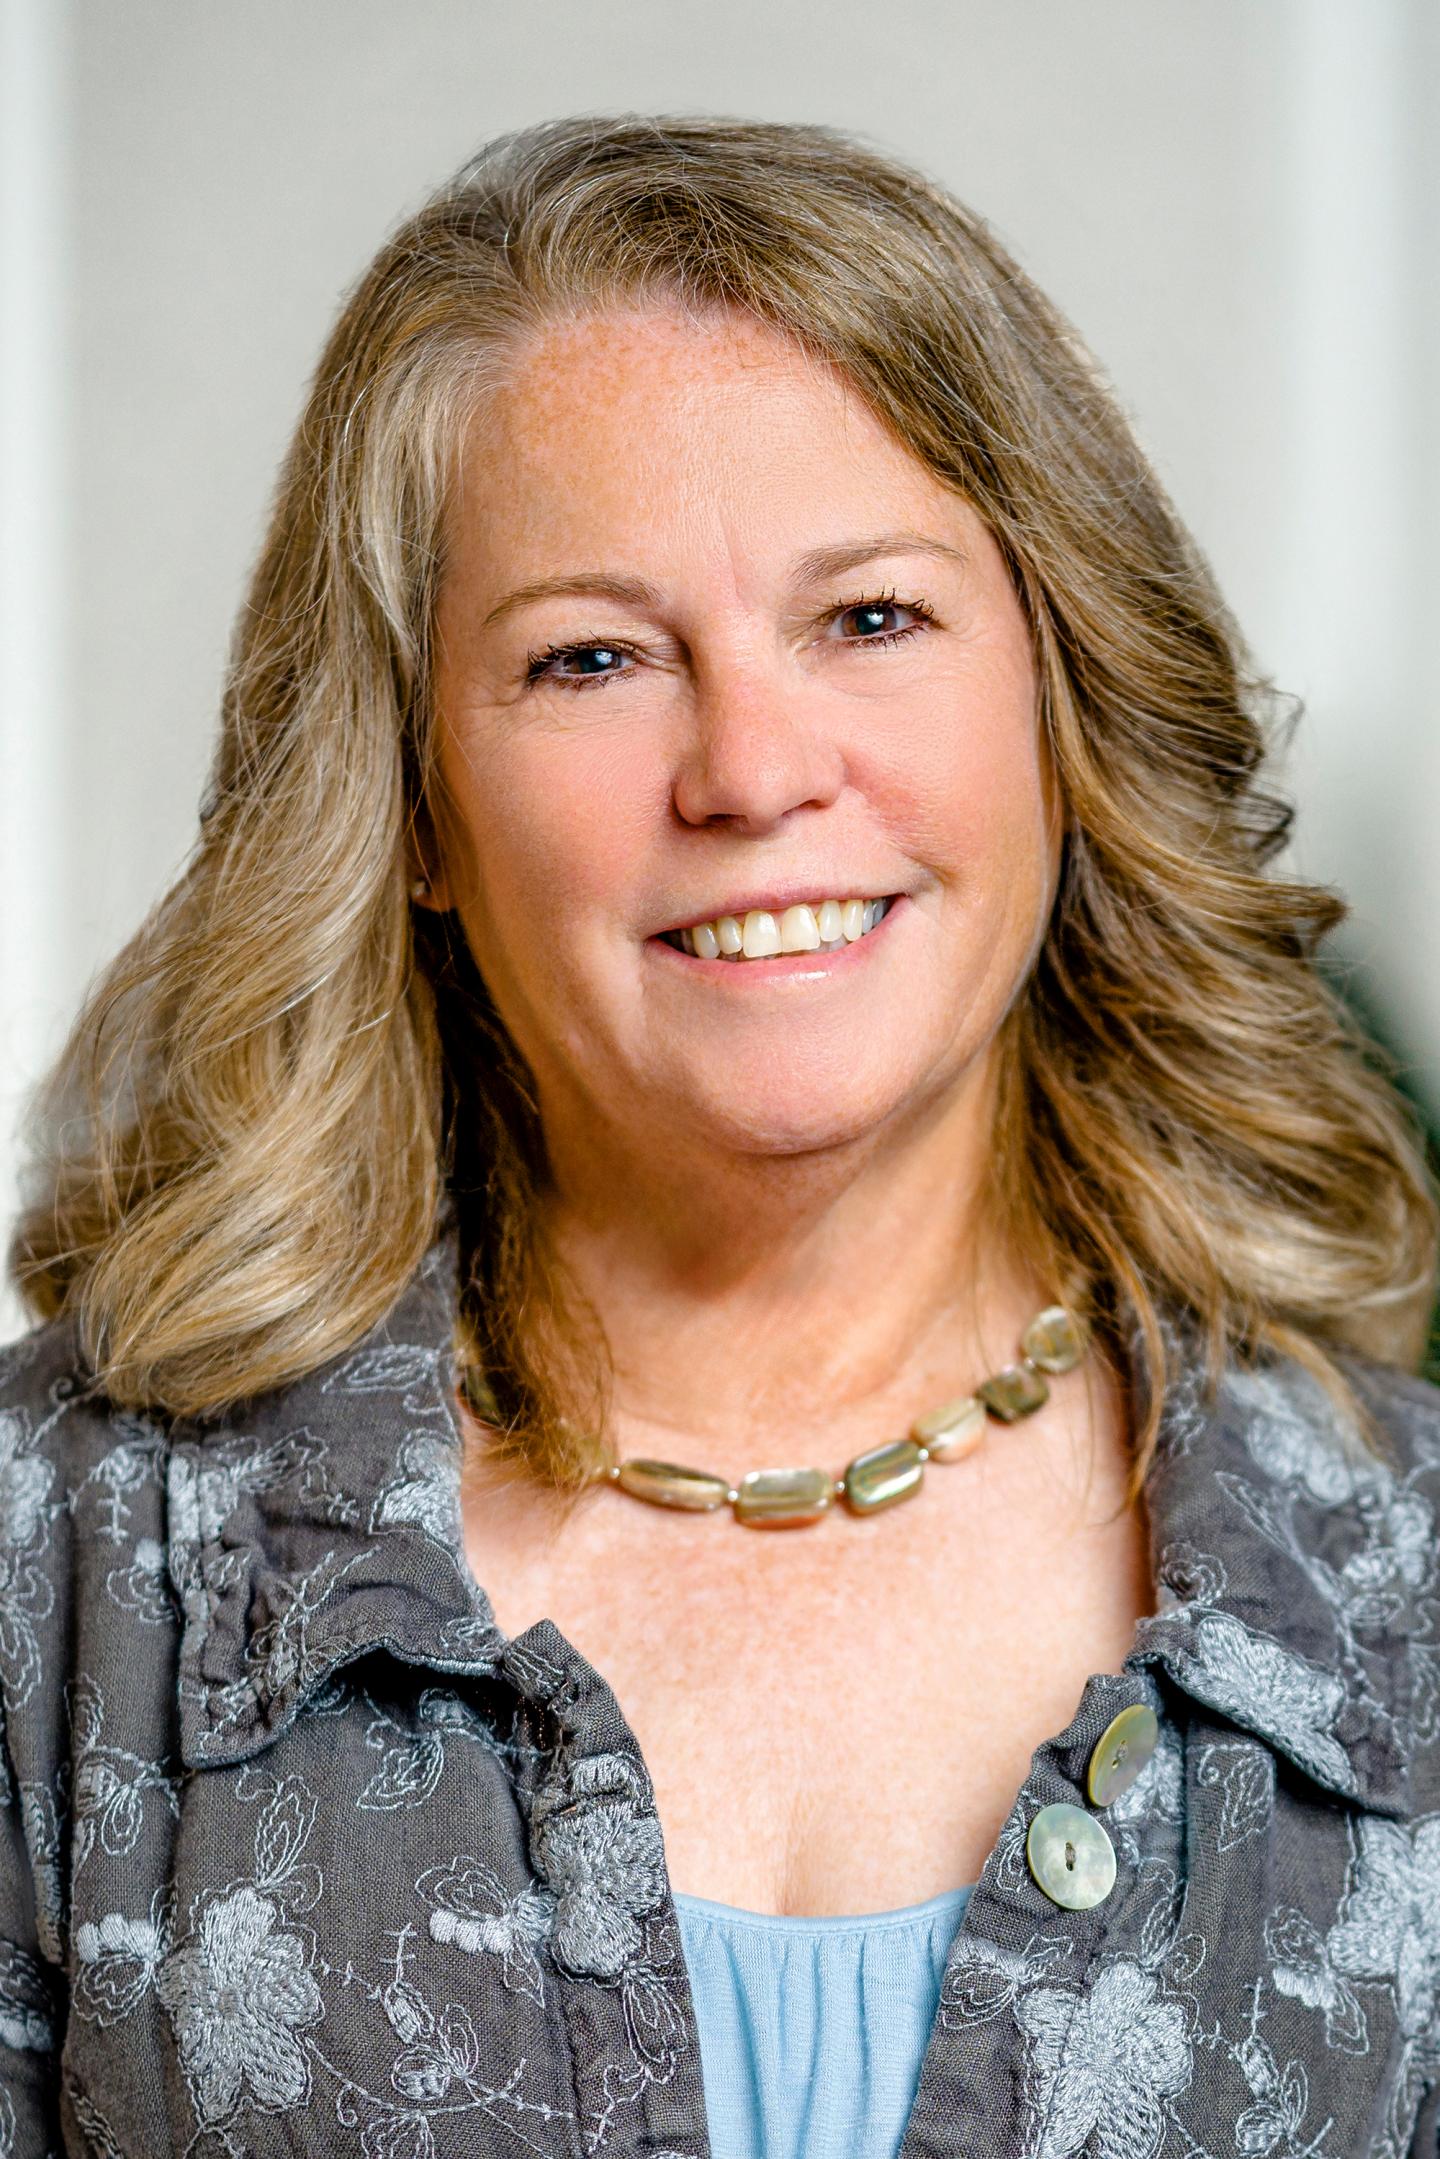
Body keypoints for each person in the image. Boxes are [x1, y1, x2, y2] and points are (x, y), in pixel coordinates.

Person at [2, 109, 1438, 2159]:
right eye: (590, 657)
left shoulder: (1405, 1587)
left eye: (869, 620)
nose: (753, 770)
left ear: (1064, 701)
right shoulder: (63, 1581)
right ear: (408, 806)